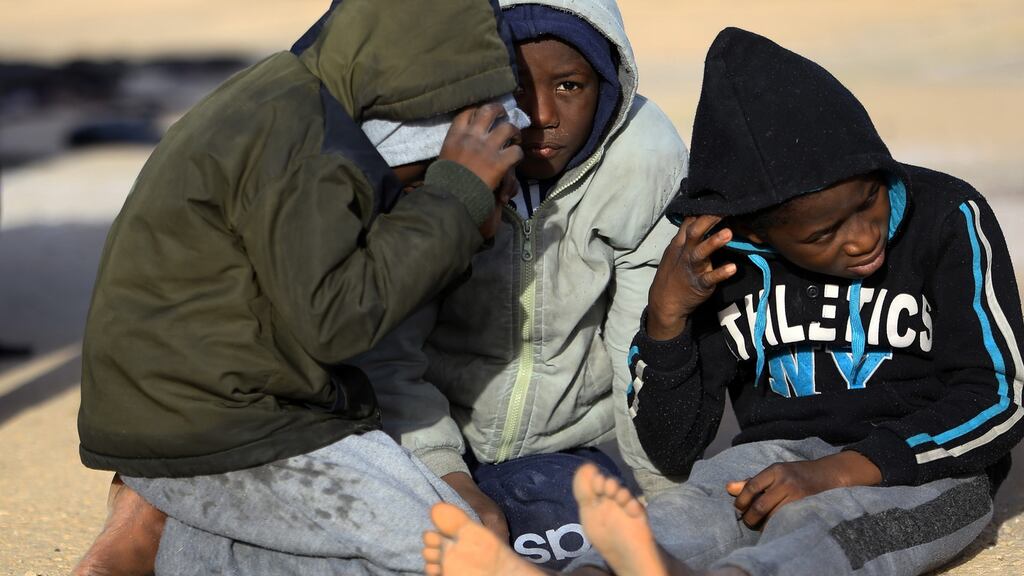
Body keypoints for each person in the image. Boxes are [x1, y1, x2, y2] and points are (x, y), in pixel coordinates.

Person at [417, 26, 1024, 576]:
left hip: (923, 467)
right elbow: (674, 447)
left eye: (869, 200)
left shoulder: (946, 216)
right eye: (822, 235)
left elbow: (1003, 393)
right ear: (757, 232)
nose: (864, 235)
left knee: (820, 527)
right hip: (771, 456)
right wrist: (668, 318)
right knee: (691, 509)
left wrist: (844, 470)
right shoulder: (724, 256)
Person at [73, 0, 532, 574]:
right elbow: (338, 321)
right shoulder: (309, 149)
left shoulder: (294, 99)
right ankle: (159, 506)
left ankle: (161, 524)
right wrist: (456, 196)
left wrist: (450, 199)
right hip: (222, 423)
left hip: (211, 403)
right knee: (452, 552)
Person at [350, 0, 688, 568]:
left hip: (569, 447)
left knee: (589, 550)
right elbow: (391, 347)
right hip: (422, 440)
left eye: (570, 85)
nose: (542, 114)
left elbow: (640, 340)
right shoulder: (425, 157)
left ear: (608, 84)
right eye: (513, 86)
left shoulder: (643, 156)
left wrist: (662, 500)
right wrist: (447, 476)